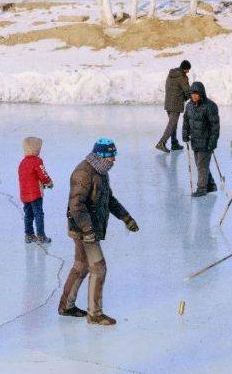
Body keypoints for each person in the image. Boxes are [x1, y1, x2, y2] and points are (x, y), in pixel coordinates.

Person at [58, 138, 139, 325]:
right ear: (101, 155)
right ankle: (94, 313)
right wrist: (87, 230)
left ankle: (66, 306)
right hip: (84, 229)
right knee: (99, 268)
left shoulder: (101, 172)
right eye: (111, 155)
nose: (114, 159)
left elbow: (108, 199)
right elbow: (76, 205)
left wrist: (126, 218)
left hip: (89, 228)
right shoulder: (83, 173)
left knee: (81, 266)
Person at [182, 82, 219, 197]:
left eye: (196, 93)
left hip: (206, 141)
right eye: (192, 93)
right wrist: (185, 133)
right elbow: (186, 121)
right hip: (195, 141)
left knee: (202, 165)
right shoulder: (189, 106)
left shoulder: (210, 106)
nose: (194, 96)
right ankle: (211, 185)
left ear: (201, 93)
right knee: (201, 165)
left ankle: (202, 188)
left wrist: (213, 141)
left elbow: (215, 126)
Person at [18, 136, 54, 244]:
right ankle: (41, 236)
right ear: (35, 150)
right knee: (38, 214)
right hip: (35, 194)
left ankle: (29, 235)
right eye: (39, 149)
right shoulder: (37, 161)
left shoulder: (22, 163)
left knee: (28, 214)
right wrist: (49, 182)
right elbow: (43, 174)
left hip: (24, 194)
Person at [155, 60, 191, 153]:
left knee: (173, 124)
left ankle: (174, 143)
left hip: (168, 103)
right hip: (176, 103)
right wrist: (187, 98)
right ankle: (161, 143)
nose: (188, 71)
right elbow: (187, 91)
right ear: (185, 69)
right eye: (188, 69)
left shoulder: (171, 74)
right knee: (172, 124)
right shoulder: (182, 77)